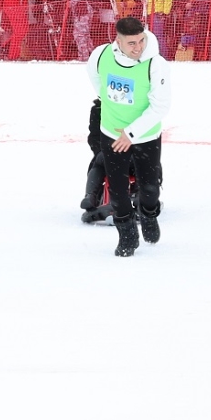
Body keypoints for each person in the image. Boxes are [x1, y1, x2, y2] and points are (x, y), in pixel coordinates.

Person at [86, 15, 171, 257]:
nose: (138, 48)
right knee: (118, 189)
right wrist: (114, 116)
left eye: (141, 41)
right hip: (111, 134)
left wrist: (131, 133)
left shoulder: (156, 64)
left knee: (149, 187)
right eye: (131, 43)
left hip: (146, 137)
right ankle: (127, 235)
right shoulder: (100, 55)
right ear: (118, 42)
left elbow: (161, 107)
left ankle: (149, 213)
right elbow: (98, 83)